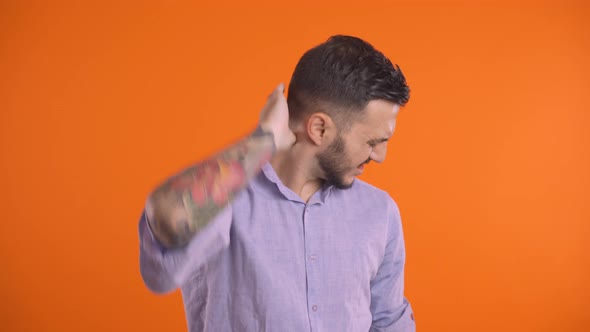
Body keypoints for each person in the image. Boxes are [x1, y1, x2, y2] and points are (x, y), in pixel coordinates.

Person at [138, 35, 415, 331]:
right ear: (319, 128)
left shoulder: (379, 212)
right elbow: (165, 234)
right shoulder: (225, 200)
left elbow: (389, 322)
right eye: (373, 141)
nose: (381, 156)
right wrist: (264, 140)